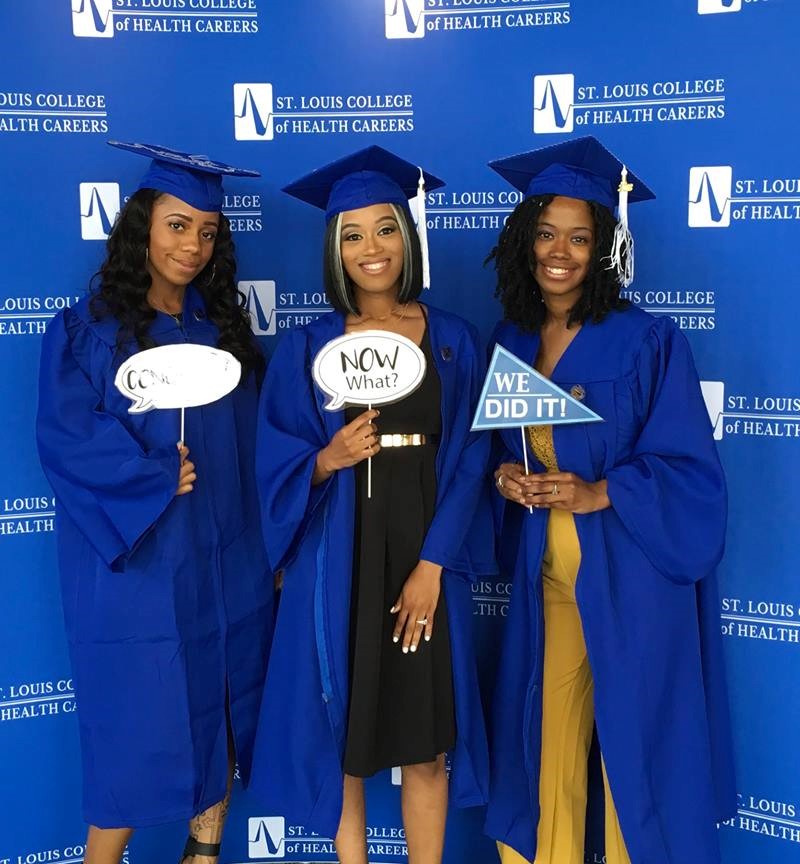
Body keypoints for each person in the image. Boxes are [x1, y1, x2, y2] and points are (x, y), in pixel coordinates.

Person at [481, 136, 736, 864]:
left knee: (637, 752)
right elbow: (503, 447)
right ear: (525, 242)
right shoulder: (513, 339)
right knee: (543, 744)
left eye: (580, 237)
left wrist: (601, 491)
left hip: (633, 575)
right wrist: (506, 478)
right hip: (548, 577)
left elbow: (691, 470)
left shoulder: (647, 340)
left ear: (604, 249)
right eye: (547, 234)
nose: (559, 252)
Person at [250, 145, 494, 864]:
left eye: (385, 228)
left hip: (425, 550)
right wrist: (327, 458)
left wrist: (433, 565)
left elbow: (472, 456)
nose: (371, 248)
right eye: (351, 235)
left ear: (407, 237)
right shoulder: (308, 348)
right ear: (335, 250)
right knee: (343, 734)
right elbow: (278, 460)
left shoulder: (453, 339)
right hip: (341, 555)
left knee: (426, 743)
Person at [36, 142, 274, 864]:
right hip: (140, 571)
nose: (192, 245)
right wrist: (152, 477)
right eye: (177, 225)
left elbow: (262, 447)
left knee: (222, 712)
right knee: (137, 742)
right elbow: (67, 439)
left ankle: (204, 855)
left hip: (227, 562)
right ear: (142, 227)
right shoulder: (88, 330)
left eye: (207, 231)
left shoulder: (223, 333)